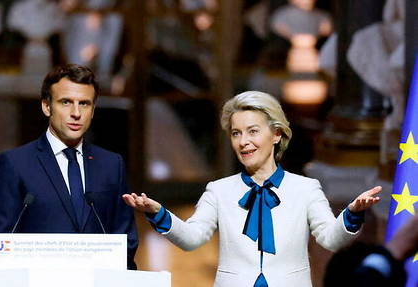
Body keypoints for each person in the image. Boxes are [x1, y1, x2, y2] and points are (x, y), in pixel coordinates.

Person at [123, 91, 381, 286]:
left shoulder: (306, 189)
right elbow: (192, 239)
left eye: (252, 131)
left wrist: (352, 214)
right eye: (236, 133)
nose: (243, 142)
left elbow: (330, 239)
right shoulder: (218, 191)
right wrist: (158, 213)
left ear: (277, 134)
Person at [0, 64, 138, 269]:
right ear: (46, 106)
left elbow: (126, 239)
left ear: (93, 110)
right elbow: (0, 242)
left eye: (84, 104)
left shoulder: (111, 164)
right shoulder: (14, 164)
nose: (76, 113)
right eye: (66, 102)